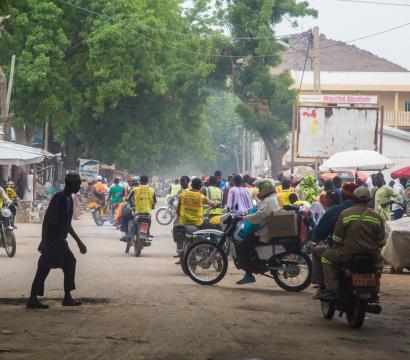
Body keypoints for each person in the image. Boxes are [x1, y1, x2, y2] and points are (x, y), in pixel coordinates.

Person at [26, 173, 87, 309]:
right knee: (69, 262)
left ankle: (33, 298)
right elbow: (47, 221)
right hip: (54, 239)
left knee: (44, 266)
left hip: (58, 238)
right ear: (70, 184)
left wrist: (78, 241)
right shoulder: (59, 197)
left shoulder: (69, 199)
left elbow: (67, 224)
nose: (78, 187)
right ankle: (67, 297)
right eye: (77, 184)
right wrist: (44, 241)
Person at [318, 187, 385, 300]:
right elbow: (381, 241)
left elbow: (337, 238)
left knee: (325, 258)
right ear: (368, 200)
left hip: (347, 253)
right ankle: (374, 289)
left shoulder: (345, 214)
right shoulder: (377, 217)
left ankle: (333, 289)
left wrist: (338, 245)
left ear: (354, 199)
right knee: (379, 266)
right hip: (372, 255)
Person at [311, 183, 357, 298]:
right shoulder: (371, 212)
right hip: (369, 253)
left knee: (320, 254)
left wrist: (317, 238)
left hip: (343, 251)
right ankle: (374, 291)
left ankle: (326, 287)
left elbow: (323, 233)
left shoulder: (337, 211)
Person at [236, 179, 279, 285]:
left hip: (263, 232)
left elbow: (260, 216)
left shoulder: (269, 200)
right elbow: (259, 211)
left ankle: (249, 274)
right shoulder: (271, 199)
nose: (259, 191)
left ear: (266, 188)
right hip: (266, 229)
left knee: (241, 246)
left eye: (260, 188)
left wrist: (245, 217)